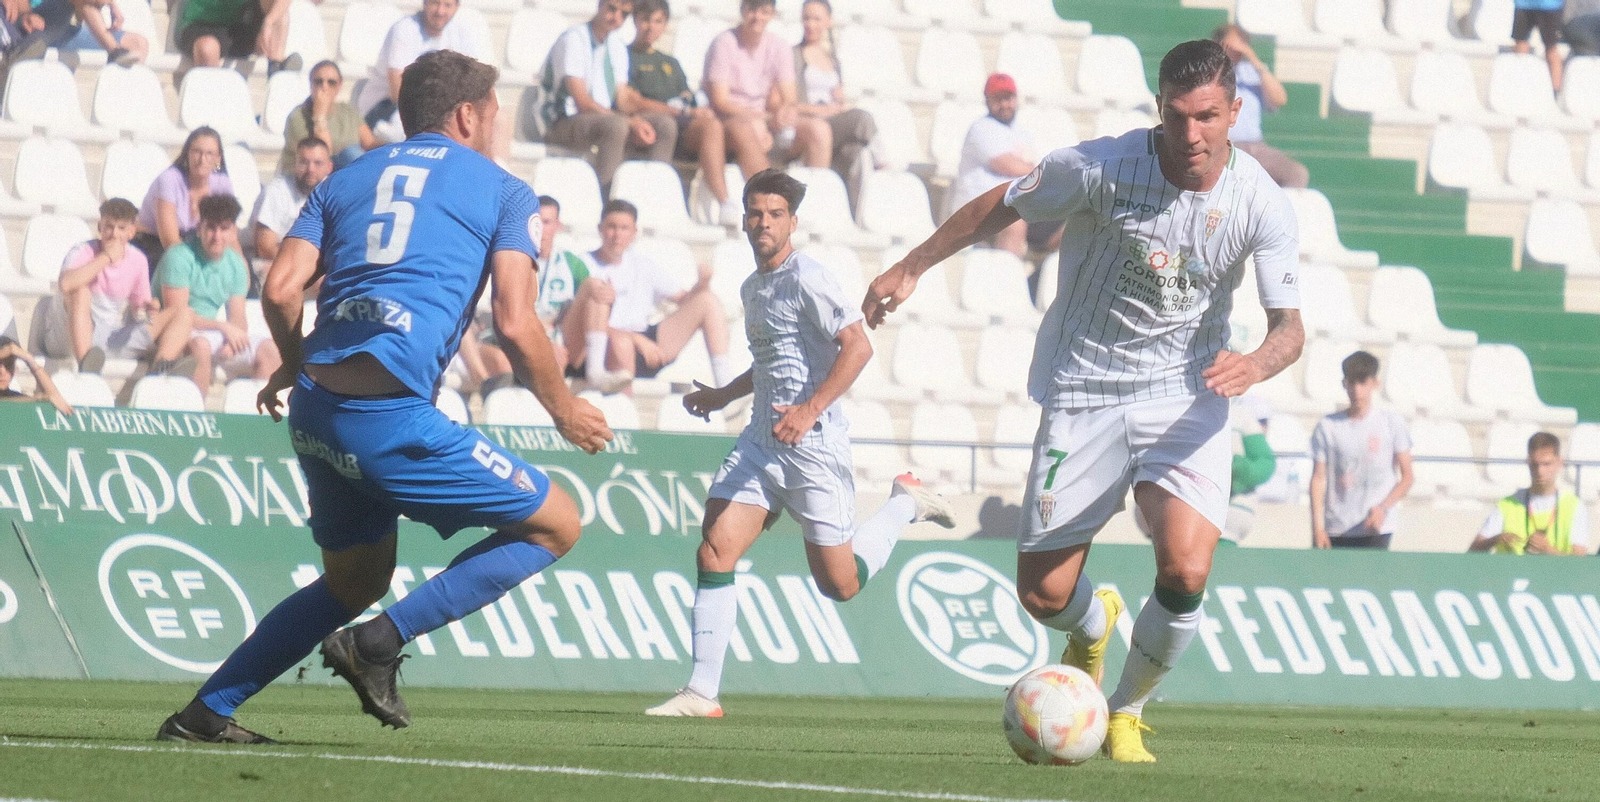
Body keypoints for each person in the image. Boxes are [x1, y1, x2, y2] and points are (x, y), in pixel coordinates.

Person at [861, 40, 1305, 762]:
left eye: (1206, 117)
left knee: (1187, 569)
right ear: (1158, 108)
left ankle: (1126, 710)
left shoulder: (1262, 202)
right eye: (1176, 115)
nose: (1190, 133)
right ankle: (1094, 623)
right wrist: (911, 267)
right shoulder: (1101, 167)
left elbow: (1290, 330)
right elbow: (1000, 204)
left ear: (1233, 113)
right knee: (1043, 594)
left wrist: (1254, 364)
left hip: (1185, 394)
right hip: (1085, 390)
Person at [156, 50, 612, 744]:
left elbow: (279, 288)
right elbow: (517, 323)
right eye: (493, 113)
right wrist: (565, 409)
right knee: (559, 524)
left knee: (354, 580)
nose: (495, 126)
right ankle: (376, 644)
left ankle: (202, 716)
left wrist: (294, 365)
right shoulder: (504, 191)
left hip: (315, 409)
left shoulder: (346, 178)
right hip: (390, 415)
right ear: (467, 115)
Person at [645, 170, 953, 717]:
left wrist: (810, 411)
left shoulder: (809, 277)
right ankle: (702, 692)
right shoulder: (752, 287)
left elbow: (857, 347)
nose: (763, 223)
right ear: (744, 220)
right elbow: (770, 362)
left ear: (792, 222)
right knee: (714, 549)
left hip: (813, 448)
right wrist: (722, 395)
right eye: (755, 213)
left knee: (840, 585)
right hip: (762, 442)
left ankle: (903, 504)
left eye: (775, 214)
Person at [562, 199, 734, 392]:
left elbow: (683, 300)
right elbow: (575, 319)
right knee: (622, 343)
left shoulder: (642, 265)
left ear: (634, 232)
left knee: (707, 301)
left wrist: (702, 284)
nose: (617, 235)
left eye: (624, 228)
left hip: (643, 341)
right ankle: (624, 405)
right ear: (600, 229)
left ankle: (725, 388)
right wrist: (634, 338)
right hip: (601, 347)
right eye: (612, 227)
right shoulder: (583, 264)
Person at [539, 0, 677, 192]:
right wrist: (629, 121)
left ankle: (651, 193)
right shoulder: (574, 39)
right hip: (560, 120)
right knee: (616, 125)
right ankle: (606, 198)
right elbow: (582, 102)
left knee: (664, 125)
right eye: (611, 9)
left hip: (597, 119)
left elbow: (623, 101)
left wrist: (648, 117)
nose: (616, 17)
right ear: (600, 6)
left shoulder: (617, 45)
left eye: (624, 14)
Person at [461, 194, 591, 390]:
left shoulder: (572, 264)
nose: (541, 229)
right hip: (509, 334)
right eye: (537, 222)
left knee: (594, 289)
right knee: (507, 360)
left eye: (547, 222)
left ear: (557, 225)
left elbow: (584, 310)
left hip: (556, 337)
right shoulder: (507, 257)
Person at [156, 194, 280, 395]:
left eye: (224, 229)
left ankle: (258, 412)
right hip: (174, 332)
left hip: (209, 329)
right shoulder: (179, 257)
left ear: (234, 232)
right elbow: (177, 315)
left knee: (269, 350)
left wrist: (233, 341)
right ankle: (197, 410)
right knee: (200, 347)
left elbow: (238, 316)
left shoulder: (236, 264)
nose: (217, 236)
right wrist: (223, 327)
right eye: (211, 228)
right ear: (199, 228)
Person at [58, 198, 195, 376]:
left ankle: (160, 368)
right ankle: (87, 365)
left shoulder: (138, 259)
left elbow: (140, 309)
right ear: (100, 227)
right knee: (80, 291)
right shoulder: (83, 251)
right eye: (109, 226)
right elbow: (66, 284)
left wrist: (150, 308)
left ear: (131, 232)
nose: (114, 234)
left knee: (184, 312)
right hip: (72, 335)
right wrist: (106, 257)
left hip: (112, 336)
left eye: (121, 228)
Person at [626, 0, 734, 223]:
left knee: (713, 125)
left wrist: (698, 111)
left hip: (681, 125)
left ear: (665, 25)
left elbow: (687, 98)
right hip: (651, 123)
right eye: (646, 20)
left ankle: (724, 203)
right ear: (635, 20)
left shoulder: (670, 63)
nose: (651, 27)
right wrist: (676, 111)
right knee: (669, 124)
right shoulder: (625, 56)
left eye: (658, 21)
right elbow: (632, 101)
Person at [703, 0, 830, 179]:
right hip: (730, 119)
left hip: (764, 119)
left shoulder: (779, 46)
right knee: (749, 130)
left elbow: (790, 98)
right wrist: (758, 119)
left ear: (772, 15)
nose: (758, 17)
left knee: (818, 129)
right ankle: (769, 188)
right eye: (752, 10)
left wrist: (781, 115)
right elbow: (720, 101)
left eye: (764, 11)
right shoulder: (724, 43)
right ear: (742, 10)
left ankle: (817, 189)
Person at [1309, 350, 1414, 551]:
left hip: (1375, 528)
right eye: (1351, 383)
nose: (1356, 390)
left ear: (1375, 383)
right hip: (1337, 528)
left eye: (1362, 382)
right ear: (1344, 384)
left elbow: (1407, 476)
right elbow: (1318, 479)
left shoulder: (1391, 423)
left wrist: (1383, 508)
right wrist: (1318, 528)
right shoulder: (1328, 426)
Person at [355, 0, 489, 142]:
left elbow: (471, 80)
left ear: (456, 7)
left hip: (434, 114)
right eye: (435, 3)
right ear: (424, 3)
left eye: (447, 5)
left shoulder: (461, 33)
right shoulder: (405, 29)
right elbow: (397, 91)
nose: (440, 11)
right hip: (386, 110)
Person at [792, 0, 876, 208]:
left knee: (854, 151)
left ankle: (851, 211)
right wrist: (822, 110)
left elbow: (838, 100)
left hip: (833, 122)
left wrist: (838, 99)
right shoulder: (793, 55)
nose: (810, 24)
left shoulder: (833, 59)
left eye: (816, 19)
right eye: (806, 18)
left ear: (828, 22)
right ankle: (882, 161)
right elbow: (789, 104)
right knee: (861, 118)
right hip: (810, 123)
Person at [948, 74, 1040, 259]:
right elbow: (1009, 166)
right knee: (1013, 221)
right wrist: (1035, 169)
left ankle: (1040, 275)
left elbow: (1034, 169)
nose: (1004, 104)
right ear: (987, 101)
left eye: (1008, 98)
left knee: (1072, 221)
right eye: (997, 99)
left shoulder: (1023, 133)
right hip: (978, 209)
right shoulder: (981, 129)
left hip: (1017, 203)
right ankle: (1007, 276)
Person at [1211, 25, 1308, 189]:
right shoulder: (1210, 72)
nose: (1237, 49)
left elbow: (1280, 99)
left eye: (1242, 44)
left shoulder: (1251, 72)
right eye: (1232, 44)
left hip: (1256, 146)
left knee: (1297, 173)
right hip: (1227, 146)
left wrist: (1253, 58)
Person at [1469, 432, 1590, 555]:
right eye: (1534, 464)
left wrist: (1547, 550)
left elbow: (1579, 561)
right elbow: (1472, 553)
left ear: (1559, 463)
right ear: (1528, 462)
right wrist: (1495, 539)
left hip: (1555, 569)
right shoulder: (1507, 504)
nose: (1540, 471)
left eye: (1546, 464)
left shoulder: (1574, 506)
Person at [135, 127, 234, 268]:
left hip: (199, 244)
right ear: (187, 154)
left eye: (209, 153)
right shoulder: (169, 180)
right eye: (197, 152)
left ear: (218, 158)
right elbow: (170, 241)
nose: (202, 159)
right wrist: (199, 269)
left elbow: (231, 235)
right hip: (154, 244)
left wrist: (241, 266)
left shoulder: (223, 184)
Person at [279, 61, 379, 173]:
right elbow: (322, 157)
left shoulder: (348, 111)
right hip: (309, 175)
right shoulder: (298, 117)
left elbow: (370, 143)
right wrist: (319, 115)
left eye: (331, 82)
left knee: (355, 153)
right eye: (318, 82)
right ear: (311, 84)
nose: (324, 87)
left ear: (339, 86)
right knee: (351, 153)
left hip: (346, 172)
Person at [255, 137, 334, 263]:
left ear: (329, 167)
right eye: (304, 162)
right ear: (294, 164)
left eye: (318, 163)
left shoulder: (335, 195)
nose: (310, 169)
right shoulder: (276, 192)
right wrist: (304, 265)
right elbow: (265, 248)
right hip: (278, 263)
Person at [175, 0, 299, 75]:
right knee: (208, 48)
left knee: (278, 10)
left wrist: (268, 22)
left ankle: (276, 67)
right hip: (201, 24)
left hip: (239, 26)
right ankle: (212, 102)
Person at [10, 0, 147, 65]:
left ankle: (114, 107)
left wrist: (112, 4)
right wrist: (25, 15)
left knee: (136, 44)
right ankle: (114, 50)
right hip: (34, 18)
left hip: (66, 27)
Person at [0, 337, 72, 416]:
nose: (2, 372)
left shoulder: (16, 397)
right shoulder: (21, 400)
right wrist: (38, 398)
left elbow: (56, 399)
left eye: (9, 365)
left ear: (15, 369)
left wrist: (30, 360)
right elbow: (4, 403)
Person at [1513, 0, 1566, 92]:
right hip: (1523, 5)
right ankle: (1520, 87)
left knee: (1551, 49)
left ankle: (1556, 92)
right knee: (1520, 47)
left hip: (1550, 6)